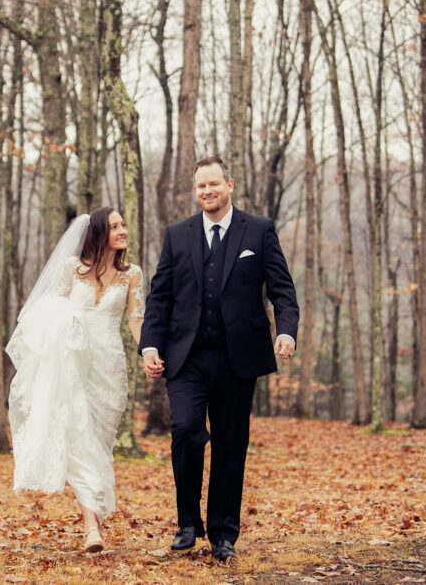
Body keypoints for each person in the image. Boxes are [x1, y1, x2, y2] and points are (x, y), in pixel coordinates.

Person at [140, 156, 299, 562]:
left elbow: (282, 289)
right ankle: (187, 524)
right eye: (199, 187)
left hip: (237, 358)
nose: (206, 192)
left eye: (213, 184)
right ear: (195, 192)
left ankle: (223, 534)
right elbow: (160, 296)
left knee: (231, 444)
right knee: (187, 430)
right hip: (185, 357)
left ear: (229, 184)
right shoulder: (178, 234)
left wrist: (285, 330)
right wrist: (150, 345)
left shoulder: (259, 231)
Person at [5, 207, 145, 553]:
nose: (123, 230)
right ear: (99, 232)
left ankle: (94, 514)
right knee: (78, 438)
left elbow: (136, 320)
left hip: (109, 365)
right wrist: (66, 329)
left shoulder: (133, 275)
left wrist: (148, 352)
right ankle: (91, 529)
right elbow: (49, 310)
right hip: (73, 362)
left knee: (100, 443)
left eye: (123, 225)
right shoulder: (73, 268)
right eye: (115, 226)